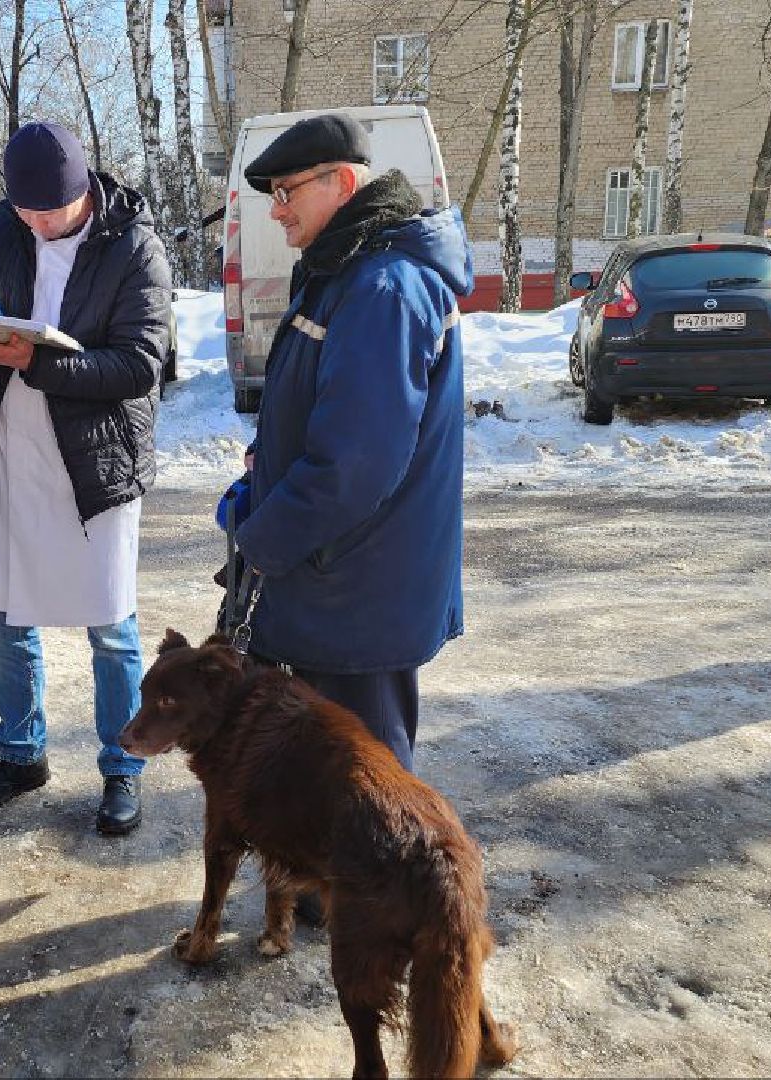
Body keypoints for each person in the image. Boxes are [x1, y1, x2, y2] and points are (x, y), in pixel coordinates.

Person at [228, 113, 472, 774]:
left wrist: (262, 539)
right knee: (322, 783)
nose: (275, 212)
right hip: (338, 580)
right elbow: (331, 418)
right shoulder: (346, 273)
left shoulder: (381, 289)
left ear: (339, 182)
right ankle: (323, 882)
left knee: (359, 789)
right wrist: (266, 465)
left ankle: (363, 884)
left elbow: (355, 465)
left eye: (285, 191)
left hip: (356, 589)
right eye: (270, 195)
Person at [0, 120, 171, 836]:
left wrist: (33, 363)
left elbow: (140, 365)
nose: (38, 223)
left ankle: (121, 766)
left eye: (52, 211)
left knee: (108, 624)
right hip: (11, 449)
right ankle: (20, 755)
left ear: (84, 191)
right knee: (4, 613)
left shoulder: (132, 245)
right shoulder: (4, 235)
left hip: (94, 459)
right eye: (24, 209)